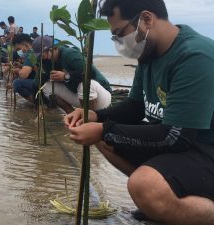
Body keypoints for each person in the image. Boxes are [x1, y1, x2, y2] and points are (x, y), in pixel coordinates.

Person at [64, 0, 214, 224]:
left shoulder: (194, 56)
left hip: (203, 146)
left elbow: (176, 137)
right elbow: (135, 107)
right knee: (107, 139)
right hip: (184, 143)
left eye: (120, 33)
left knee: (143, 185)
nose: (119, 43)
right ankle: (165, 205)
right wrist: (94, 117)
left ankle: (169, 202)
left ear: (146, 19)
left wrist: (104, 129)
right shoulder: (149, 55)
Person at [33, 35, 112, 113]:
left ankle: (90, 119)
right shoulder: (47, 62)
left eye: (43, 55)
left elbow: (91, 73)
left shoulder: (69, 54)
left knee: (84, 84)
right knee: (47, 86)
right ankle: (72, 115)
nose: (43, 58)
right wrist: (39, 106)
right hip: (79, 96)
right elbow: (38, 82)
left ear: (52, 49)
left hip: (100, 96)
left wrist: (65, 76)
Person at [12, 34, 38, 104]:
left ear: (24, 44)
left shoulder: (30, 53)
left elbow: (23, 75)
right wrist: (21, 66)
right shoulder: (37, 48)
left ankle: (38, 103)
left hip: (44, 83)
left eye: (18, 49)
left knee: (17, 83)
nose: (20, 52)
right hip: (48, 80)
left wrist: (18, 71)